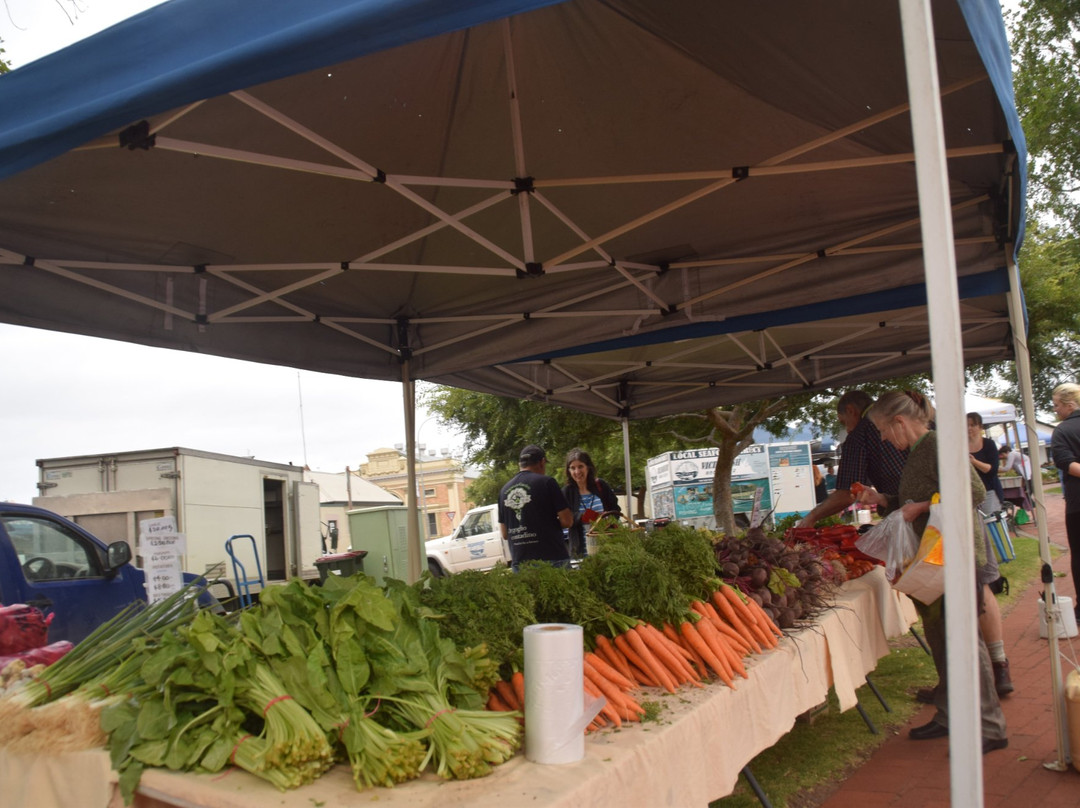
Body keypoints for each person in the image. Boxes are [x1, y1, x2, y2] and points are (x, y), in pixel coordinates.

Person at [857, 391, 1007, 753]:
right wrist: (883, 500)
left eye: (883, 430)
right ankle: (949, 714)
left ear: (899, 422)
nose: (883, 439)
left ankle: (990, 726)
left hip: (954, 557)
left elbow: (972, 492)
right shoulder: (919, 451)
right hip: (933, 560)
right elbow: (920, 498)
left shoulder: (938, 444)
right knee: (941, 638)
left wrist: (920, 507)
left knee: (964, 641)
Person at [796, 390, 908, 528]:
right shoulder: (907, 416)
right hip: (926, 505)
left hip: (906, 514)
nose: (847, 430)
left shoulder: (859, 435)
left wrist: (811, 518)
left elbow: (846, 493)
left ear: (850, 410)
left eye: (843, 422)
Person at [962, 411, 1013, 697]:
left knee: (985, 568)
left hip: (986, 494)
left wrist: (972, 461)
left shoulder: (989, 445)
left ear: (979, 427)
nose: (969, 430)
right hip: (964, 506)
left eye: (972, 426)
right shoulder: (955, 442)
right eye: (966, 425)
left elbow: (992, 471)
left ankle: (999, 662)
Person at [499, 444, 574, 570]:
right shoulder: (547, 482)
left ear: (520, 464)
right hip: (552, 559)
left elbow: (505, 533)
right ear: (542, 462)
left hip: (520, 564)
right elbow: (567, 521)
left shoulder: (503, 491)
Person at [1050, 383, 1080, 622]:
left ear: (1070, 406)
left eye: (1057, 405)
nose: (1055, 410)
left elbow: (1065, 462)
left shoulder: (1062, 431)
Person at [561, 449, 621, 558]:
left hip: (607, 550)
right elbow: (563, 519)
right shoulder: (567, 492)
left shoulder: (601, 485)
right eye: (573, 468)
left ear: (588, 467)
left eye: (580, 466)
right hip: (580, 553)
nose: (577, 472)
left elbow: (616, 511)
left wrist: (608, 519)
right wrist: (583, 516)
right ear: (568, 471)